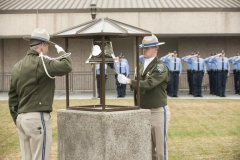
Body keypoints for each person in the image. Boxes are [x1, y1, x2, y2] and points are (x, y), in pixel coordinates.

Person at [8, 28, 73, 160]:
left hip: (21, 119)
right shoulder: (42, 63)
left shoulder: (17, 66)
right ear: (42, 46)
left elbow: (12, 98)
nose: (48, 48)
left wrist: (17, 118)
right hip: (37, 117)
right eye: (47, 45)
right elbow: (67, 66)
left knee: (28, 157)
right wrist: (61, 51)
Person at [117, 34, 171, 160]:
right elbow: (138, 87)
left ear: (155, 49)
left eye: (147, 48)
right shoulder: (141, 67)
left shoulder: (160, 67)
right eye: (143, 48)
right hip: (143, 110)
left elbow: (149, 84)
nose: (144, 50)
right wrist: (129, 81)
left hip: (157, 111)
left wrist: (130, 81)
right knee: (148, 150)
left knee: (160, 152)